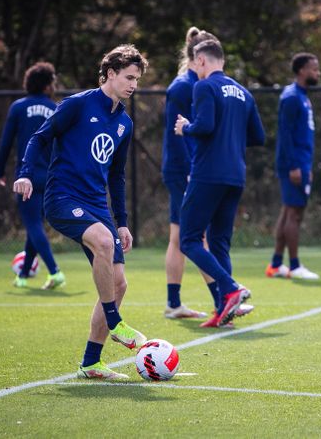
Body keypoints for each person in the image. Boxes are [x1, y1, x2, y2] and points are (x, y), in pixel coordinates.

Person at [14, 44, 149, 379]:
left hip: (97, 205)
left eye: (137, 79)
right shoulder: (77, 105)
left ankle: (91, 362)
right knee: (102, 243)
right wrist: (26, 172)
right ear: (110, 74)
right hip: (62, 198)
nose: (133, 84)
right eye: (128, 77)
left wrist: (123, 223)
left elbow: (116, 176)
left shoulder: (125, 124)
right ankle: (116, 323)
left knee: (119, 285)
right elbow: (39, 139)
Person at [175, 39, 265, 328]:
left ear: (200, 61)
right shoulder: (244, 93)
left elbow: (204, 126)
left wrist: (184, 127)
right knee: (218, 242)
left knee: (188, 239)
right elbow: (258, 137)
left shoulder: (203, 86)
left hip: (208, 173)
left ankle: (230, 288)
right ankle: (224, 309)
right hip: (235, 175)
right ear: (221, 60)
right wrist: (232, 136)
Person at [161, 27, 217, 320]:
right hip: (182, 171)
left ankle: (173, 304)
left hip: (188, 169)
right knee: (196, 235)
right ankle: (223, 299)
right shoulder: (183, 87)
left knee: (179, 236)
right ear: (199, 58)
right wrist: (187, 171)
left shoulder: (197, 85)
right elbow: (177, 135)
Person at [0, 62, 64, 290]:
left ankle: (55, 272)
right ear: (45, 85)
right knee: (35, 226)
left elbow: (6, 142)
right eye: (52, 81)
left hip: (27, 175)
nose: (54, 86)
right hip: (50, 175)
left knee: (33, 224)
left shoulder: (18, 107)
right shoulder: (55, 108)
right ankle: (23, 275)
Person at [266, 52, 321, 280]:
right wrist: (294, 167)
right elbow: (285, 134)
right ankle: (295, 266)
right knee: (295, 214)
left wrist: (305, 165)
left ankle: (276, 264)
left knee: (289, 211)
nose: (317, 73)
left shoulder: (303, 96)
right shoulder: (291, 97)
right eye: (314, 69)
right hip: (293, 165)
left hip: (300, 163)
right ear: (301, 71)